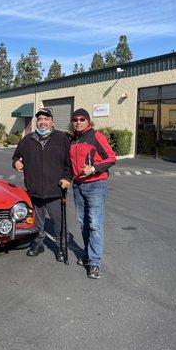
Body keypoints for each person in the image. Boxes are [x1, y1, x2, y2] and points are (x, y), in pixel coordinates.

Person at [12, 108, 72, 260]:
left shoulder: (62, 138)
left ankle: (61, 247)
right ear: (36, 122)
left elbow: (69, 163)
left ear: (52, 122)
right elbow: (16, 156)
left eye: (46, 119)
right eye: (40, 119)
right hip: (34, 190)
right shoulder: (28, 139)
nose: (43, 122)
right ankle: (38, 243)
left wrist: (67, 178)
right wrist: (16, 164)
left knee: (59, 222)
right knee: (36, 222)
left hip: (55, 190)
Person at [69, 108, 116, 279]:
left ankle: (95, 262)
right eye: (75, 119)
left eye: (82, 119)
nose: (78, 122)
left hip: (96, 185)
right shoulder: (72, 139)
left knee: (95, 224)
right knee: (84, 224)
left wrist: (94, 169)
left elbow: (111, 158)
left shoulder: (96, 136)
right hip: (78, 186)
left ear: (88, 121)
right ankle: (88, 255)